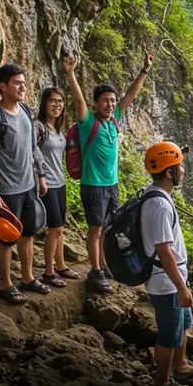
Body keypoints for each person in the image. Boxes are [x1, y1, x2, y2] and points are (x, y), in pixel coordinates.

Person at [63, 53, 153, 294]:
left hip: (112, 184)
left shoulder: (113, 121)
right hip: (93, 185)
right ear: (96, 104)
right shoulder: (88, 122)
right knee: (95, 229)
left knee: (109, 228)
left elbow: (130, 95)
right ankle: (95, 271)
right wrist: (71, 72)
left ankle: (104, 264)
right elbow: (78, 100)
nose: (111, 104)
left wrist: (144, 70)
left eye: (112, 101)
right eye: (105, 101)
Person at [0, 62, 47, 303]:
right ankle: (5, 283)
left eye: (24, 83)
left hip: (29, 185)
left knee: (28, 234)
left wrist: (40, 175)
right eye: (17, 83)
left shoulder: (26, 111)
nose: (23, 87)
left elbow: (32, 147)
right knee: (8, 238)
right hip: (6, 189)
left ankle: (27, 277)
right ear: (3, 86)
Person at [141, 142, 193, 386]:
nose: (183, 171)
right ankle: (163, 382)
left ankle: (181, 365)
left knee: (183, 322)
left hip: (172, 277)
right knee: (169, 332)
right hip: (166, 281)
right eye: (180, 166)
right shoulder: (159, 206)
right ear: (169, 173)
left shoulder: (157, 195)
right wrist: (181, 287)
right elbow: (164, 252)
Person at [35, 86, 77, 288]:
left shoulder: (60, 130)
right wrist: (39, 177)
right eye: (53, 101)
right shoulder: (38, 127)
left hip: (60, 183)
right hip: (46, 184)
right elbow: (31, 153)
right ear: (45, 103)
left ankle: (61, 266)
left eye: (60, 102)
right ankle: (48, 271)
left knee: (60, 228)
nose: (57, 105)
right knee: (55, 228)